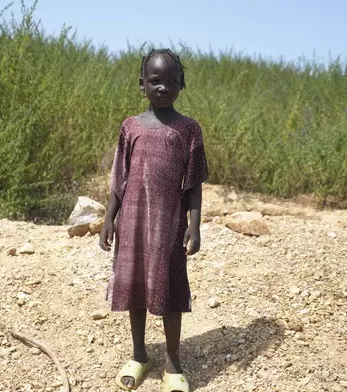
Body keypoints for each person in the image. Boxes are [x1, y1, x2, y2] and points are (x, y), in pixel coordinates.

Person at [99, 48, 209, 392]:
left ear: (182, 85)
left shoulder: (188, 129)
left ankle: (173, 362)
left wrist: (194, 225)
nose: (162, 87)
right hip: (132, 221)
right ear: (142, 84)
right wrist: (109, 218)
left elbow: (192, 184)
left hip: (169, 222)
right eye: (155, 80)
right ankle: (139, 354)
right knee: (135, 289)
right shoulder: (130, 127)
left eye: (170, 81)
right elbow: (120, 178)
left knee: (170, 287)